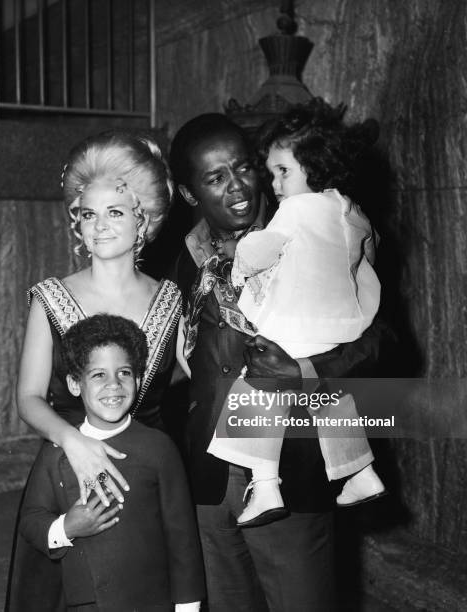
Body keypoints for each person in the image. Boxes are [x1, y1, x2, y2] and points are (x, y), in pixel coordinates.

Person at [169, 112, 392, 612]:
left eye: (245, 167)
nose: (238, 187)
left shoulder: (315, 224)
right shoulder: (185, 257)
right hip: (207, 474)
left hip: (293, 469)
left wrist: (309, 373)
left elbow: (380, 338)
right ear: (190, 195)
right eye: (215, 177)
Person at [6, 131, 185, 612]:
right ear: (76, 224)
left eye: (115, 212)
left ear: (142, 219)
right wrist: (75, 443)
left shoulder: (172, 300)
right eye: (89, 214)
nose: (100, 226)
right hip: (68, 471)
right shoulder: (50, 298)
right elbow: (27, 398)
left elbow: (197, 378)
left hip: (148, 478)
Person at [206, 98, 387, 527]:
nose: (276, 184)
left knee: (259, 390)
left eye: (282, 172)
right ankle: (361, 471)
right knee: (329, 399)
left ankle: (266, 485)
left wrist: (240, 258)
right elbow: (368, 253)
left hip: (298, 322)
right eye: (272, 174)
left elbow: (261, 249)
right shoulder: (351, 210)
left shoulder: (296, 210)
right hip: (341, 321)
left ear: (316, 166)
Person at [19, 314, 205, 611]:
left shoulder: (158, 447)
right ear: (74, 384)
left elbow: (182, 537)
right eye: (98, 375)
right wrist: (66, 527)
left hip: (150, 600)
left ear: (139, 380)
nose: (114, 385)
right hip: (85, 602)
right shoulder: (55, 451)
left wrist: (188, 606)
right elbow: (30, 520)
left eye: (125, 373)